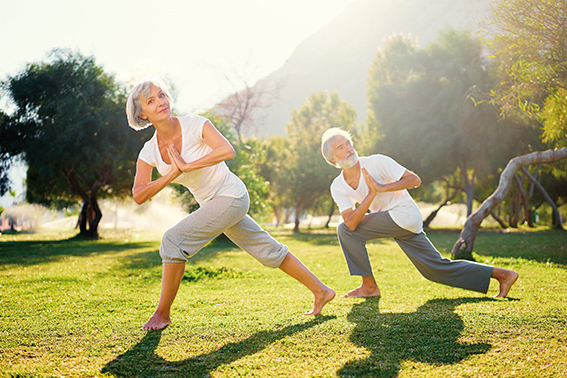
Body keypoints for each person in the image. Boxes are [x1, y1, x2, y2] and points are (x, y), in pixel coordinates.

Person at [126, 77, 335, 330]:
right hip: (212, 205)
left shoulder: (196, 125)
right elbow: (139, 194)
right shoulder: (149, 152)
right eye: (151, 101)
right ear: (143, 115)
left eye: (161, 95)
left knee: (172, 241)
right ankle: (321, 290)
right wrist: (171, 174)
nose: (160, 102)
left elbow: (226, 151)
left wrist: (187, 166)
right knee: (266, 248)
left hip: (231, 196)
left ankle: (163, 314)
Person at [320, 127, 518, 299]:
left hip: (404, 214)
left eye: (348, 143)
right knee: (434, 270)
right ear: (332, 159)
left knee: (344, 231)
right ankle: (503, 275)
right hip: (393, 221)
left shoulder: (377, 162)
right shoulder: (337, 186)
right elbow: (351, 222)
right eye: (341, 148)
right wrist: (371, 194)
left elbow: (414, 180)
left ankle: (369, 287)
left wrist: (380, 188)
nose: (348, 149)